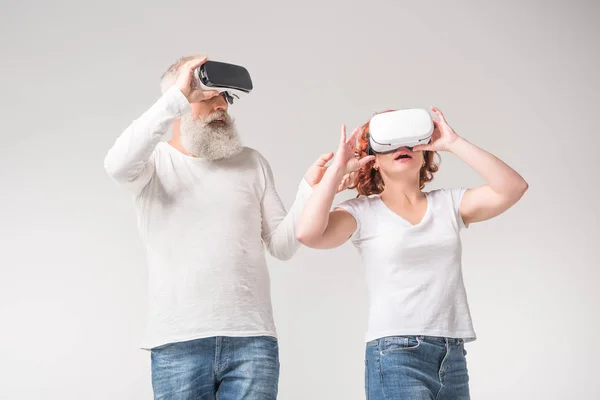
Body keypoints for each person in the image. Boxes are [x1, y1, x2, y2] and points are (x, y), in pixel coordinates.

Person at [103, 55, 338, 400]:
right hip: (178, 343)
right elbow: (116, 165)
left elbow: (282, 245)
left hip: (252, 343)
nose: (221, 106)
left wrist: (309, 188)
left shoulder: (251, 162)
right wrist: (177, 95)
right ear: (179, 103)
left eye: (224, 97)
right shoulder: (152, 163)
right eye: (207, 96)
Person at [296, 106, 529, 400]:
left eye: (410, 142)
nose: (402, 148)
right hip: (395, 355)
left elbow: (513, 187)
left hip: (452, 354)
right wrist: (338, 169)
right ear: (373, 160)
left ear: (425, 154)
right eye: (389, 143)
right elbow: (308, 233)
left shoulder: (449, 205)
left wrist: (454, 142)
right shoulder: (363, 213)